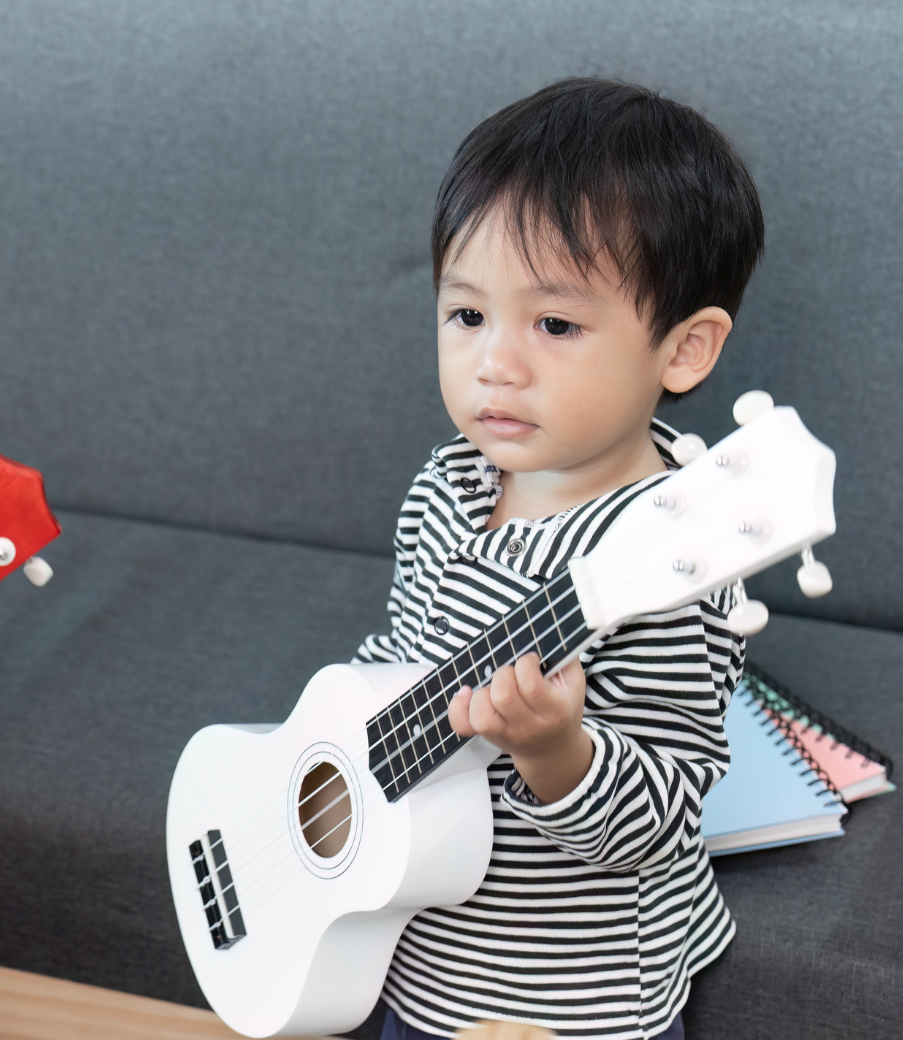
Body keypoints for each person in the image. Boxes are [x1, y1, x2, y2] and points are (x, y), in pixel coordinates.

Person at [350, 78, 763, 1040]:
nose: (496, 362)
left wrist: (554, 751)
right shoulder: (445, 487)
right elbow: (398, 658)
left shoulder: (671, 560)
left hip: (561, 997)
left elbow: (665, 812)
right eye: (466, 316)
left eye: (556, 325)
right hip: (405, 940)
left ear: (686, 350)